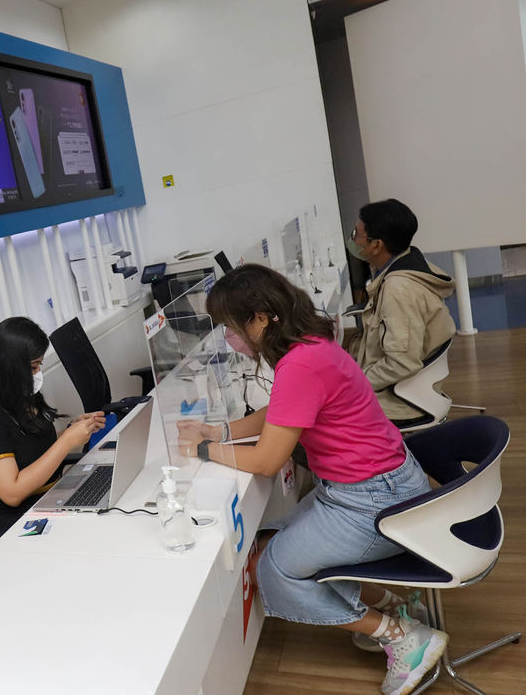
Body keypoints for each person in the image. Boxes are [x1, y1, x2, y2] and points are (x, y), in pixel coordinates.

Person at [177, 265, 446, 695]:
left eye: (232, 326)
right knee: (272, 541)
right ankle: (397, 605)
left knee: (275, 569)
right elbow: (284, 410)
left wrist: (204, 450)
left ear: (262, 318)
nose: (230, 337)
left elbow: (267, 461)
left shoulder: (300, 363)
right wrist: (222, 431)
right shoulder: (310, 347)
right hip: (371, 487)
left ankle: (402, 637)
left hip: (375, 501)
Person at [0, 317, 105, 526]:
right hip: (19, 521)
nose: (37, 374)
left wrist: (72, 431)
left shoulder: (19, 396)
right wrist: (66, 442)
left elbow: (29, 449)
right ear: (9, 367)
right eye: (33, 367)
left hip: (50, 499)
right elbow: (12, 494)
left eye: (39, 365)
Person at [346, 199, 456, 426]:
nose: (353, 240)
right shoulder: (405, 261)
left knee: (318, 417)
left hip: (399, 400)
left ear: (376, 245)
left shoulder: (398, 289)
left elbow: (402, 363)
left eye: (357, 235)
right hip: (403, 386)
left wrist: (355, 384)